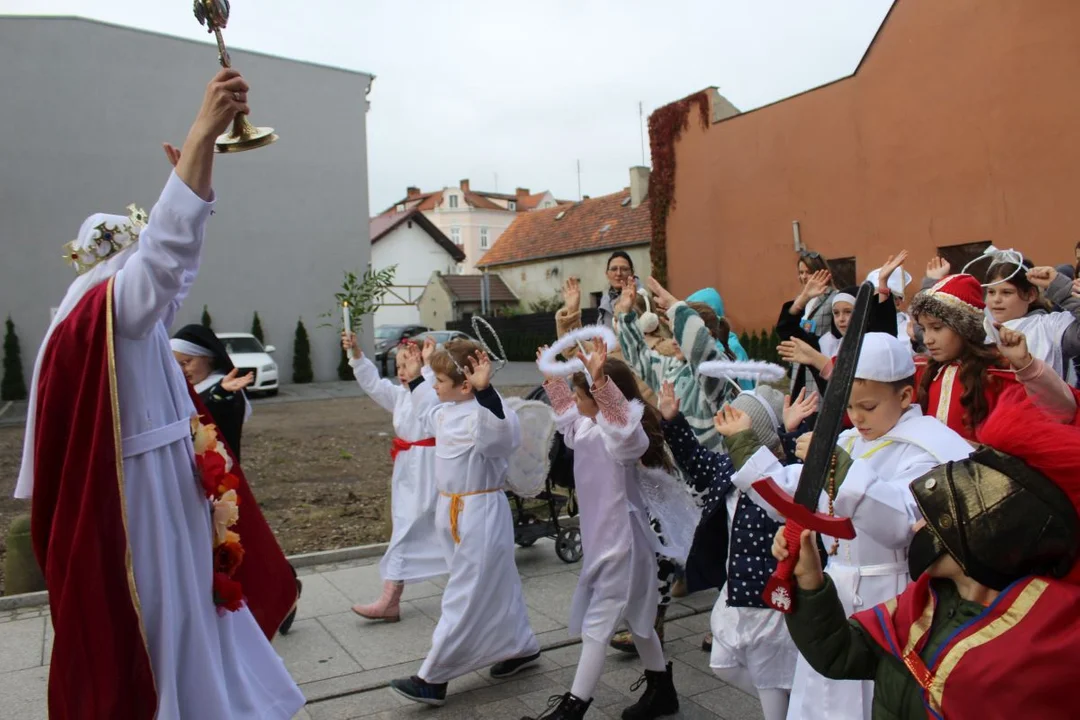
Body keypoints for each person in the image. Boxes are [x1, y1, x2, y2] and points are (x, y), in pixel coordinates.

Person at [16, 68, 304, 719]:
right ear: (117, 261)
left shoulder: (123, 313)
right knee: (166, 629)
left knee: (195, 620)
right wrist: (203, 135)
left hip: (171, 488)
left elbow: (174, 268)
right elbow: (166, 259)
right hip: (140, 502)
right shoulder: (106, 311)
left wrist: (198, 179)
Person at [773, 394, 1080, 719]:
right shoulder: (924, 603)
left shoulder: (1043, 647)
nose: (917, 525)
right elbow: (839, 652)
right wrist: (810, 580)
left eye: (937, 520)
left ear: (987, 536)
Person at [720, 333, 974, 720]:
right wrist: (745, 445)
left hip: (891, 597)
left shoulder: (929, 449)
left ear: (905, 397)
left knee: (873, 698)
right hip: (834, 594)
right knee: (823, 697)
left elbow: (898, 522)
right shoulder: (850, 441)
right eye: (850, 406)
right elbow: (795, 490)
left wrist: (836, 465)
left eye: (868, 406)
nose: (857, 417)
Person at [528, 345, 695, 720]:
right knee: (639, 621)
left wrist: (601, 383)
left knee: (597, 627)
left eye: (579, 392)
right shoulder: (588, 426)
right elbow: (569, 424)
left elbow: (627, 433)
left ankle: (574, 707)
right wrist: (553, 381)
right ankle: (662, 691)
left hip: (622, 543)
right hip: (606, 537)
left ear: (600, 398)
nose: (574, 398)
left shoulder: (618, 435)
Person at [390, 340, 540, 706]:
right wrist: (421, 371)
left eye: (441, 379)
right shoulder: (446, 409)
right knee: (497, 582)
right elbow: (425, 410)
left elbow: (502, 438)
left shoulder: (488, 411)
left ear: (466, 385)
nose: (436, 385)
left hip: (480, 512)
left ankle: (433, 675)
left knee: (465, 593)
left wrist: (487, 392)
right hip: (452, 511)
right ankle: (520, 646)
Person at [660, 381, 808, 720]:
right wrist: (673, 420)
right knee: (723, 663)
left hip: (769, 596)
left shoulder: (782, 477)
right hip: (737, 590)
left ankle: (792, 708)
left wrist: (790, 432)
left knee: (770, 678)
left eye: (740, 422)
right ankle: (798, 704)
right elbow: (696, 461)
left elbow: (794, 480)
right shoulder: (727, 468)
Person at [343, 334, 446, 622]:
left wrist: (425, 368)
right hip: (407, 467)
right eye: (398, 365)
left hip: (428, 467)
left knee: (412, 528)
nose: (402, 372)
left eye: (407, 364)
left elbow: (429, 404)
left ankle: (390, 599)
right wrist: (357, 354)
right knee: (404, 526)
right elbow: (373, 384)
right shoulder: (400, 394)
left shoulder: (429, 391)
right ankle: (391, 599)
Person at [910, 273, 1080, 439]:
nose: (927, 339)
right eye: (924, 329)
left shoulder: (996, 372)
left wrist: (1026, 366)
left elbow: (1060, 412)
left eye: (937, 328)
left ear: (965, 328)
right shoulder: (923, 372)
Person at [171, 323, 253, 460]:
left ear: (208, 358)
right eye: (176, 364)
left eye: (186, 362)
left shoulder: (225, 387)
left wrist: (220, 394)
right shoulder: (187, 388)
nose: (181, 370)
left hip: (218, 470)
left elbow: (215, 418)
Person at [596, 251, 642, 329]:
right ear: (607, 273)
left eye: (624, 269)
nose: (618, 273)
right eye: (614, 269)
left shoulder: (641, 297)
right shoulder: (606, 298)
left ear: (632, 273)